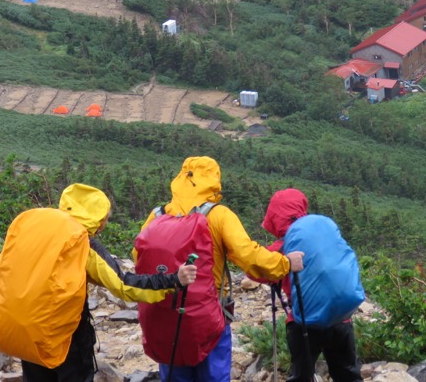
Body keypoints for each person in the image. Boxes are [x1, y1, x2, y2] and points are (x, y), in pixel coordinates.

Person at [136, 156, 305, 382]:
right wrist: (284, 263)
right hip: (209, 313)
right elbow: (249, 257)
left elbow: (138, 256)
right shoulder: (218, 215)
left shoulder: (157, 215)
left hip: (164, 314)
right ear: (214, 179)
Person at [21, 183, 198, 382]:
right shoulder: (81, 241)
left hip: (25, 331)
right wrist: (173, 280)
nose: (105, 223)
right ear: (97, 218)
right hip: (64, 335)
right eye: (105, 218)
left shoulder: (37, 230)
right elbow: (123, 285)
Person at [261, 188, 362, 382]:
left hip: (303, 323)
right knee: (348, 374)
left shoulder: (281, 248)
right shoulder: (324, 237)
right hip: (340, 318)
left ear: (274, 217)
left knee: (301, 377)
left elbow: (255, 272)